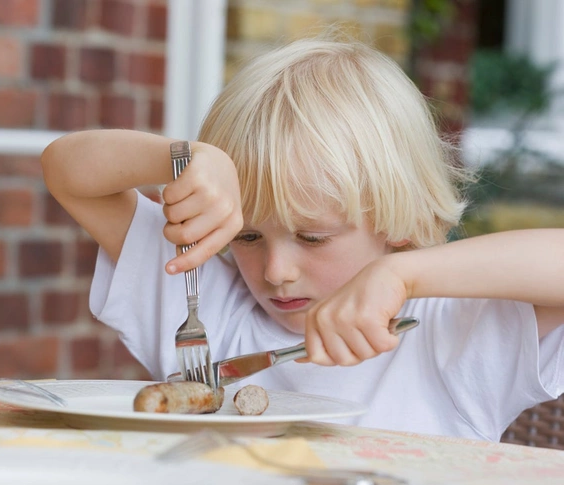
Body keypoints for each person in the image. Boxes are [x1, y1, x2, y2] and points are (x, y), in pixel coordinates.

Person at [41, 36, 564, 441]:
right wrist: (183, 159)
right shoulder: (206, 307)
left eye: (312, 237)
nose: (275, 271)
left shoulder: (449, 334)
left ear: (396, 220)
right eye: (248, 235)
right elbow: (67, 172)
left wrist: (401, 275)